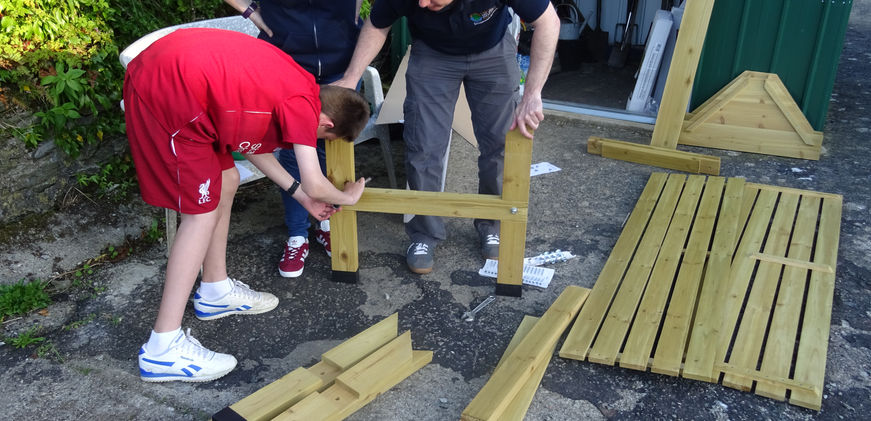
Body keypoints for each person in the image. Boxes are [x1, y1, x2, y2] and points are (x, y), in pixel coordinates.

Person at [124, 28, 369, 382]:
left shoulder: (300, 85)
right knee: (200, 214)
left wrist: (301, 196)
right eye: (323, 138)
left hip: (178, 80)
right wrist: (347, 196)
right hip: (167, 92)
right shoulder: (304, 107)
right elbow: (317, 181)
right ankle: (163, 349)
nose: (314, 140)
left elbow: (255, 145)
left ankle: (214, 290)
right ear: (326, 123)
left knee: (227, 179)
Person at [334, 0, 559, 274]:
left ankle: (493, 225)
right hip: (432, 54)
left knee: (501, 145)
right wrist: (350, 77)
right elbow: (377, 24)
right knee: (423, 146)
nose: (422, 3)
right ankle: (424, 234)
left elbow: (548, 22)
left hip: (493, 52)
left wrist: (533, 94)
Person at [224, 0, 363, 278]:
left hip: (342, 63)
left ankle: (327, 225)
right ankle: (297, 235)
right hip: (287, 61)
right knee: (291, 153)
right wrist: (250, 12)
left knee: (331, 147)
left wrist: (352, 19)